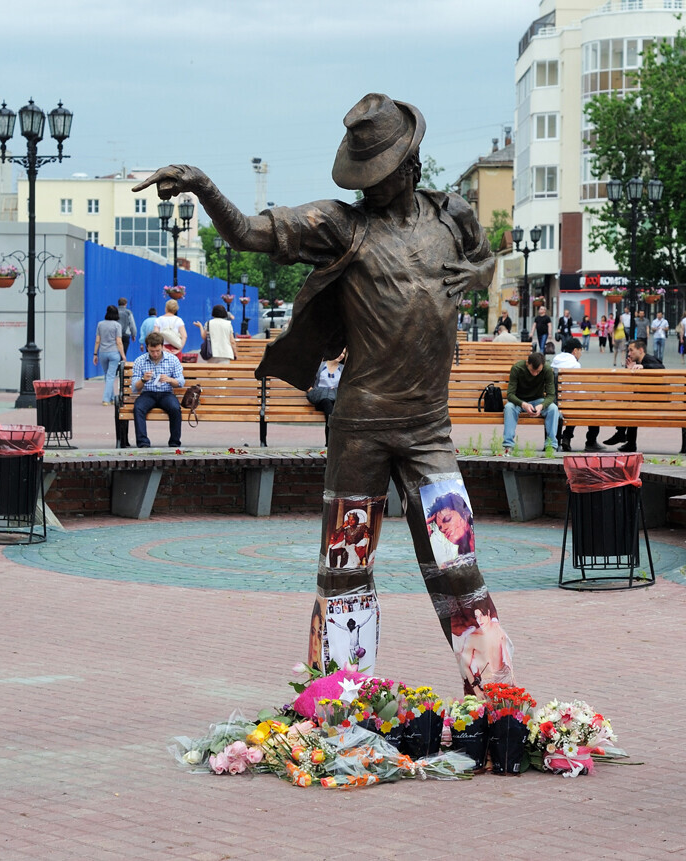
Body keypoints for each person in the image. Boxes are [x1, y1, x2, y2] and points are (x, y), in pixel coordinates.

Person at [134, 93, 510, 695]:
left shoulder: (453, 214)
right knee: (344, 569)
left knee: (457, 565)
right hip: (359, 428)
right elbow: (249, 233)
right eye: (365, 177)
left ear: (410, 165)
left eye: (381, 176)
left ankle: (493, 696)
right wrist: (204, 186)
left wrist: (483, 273)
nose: (371, 188)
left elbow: (487, 259)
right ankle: (341, 696)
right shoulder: (343, 225)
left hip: (429, 430)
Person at [602, 340, 663, 452]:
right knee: (629, 404)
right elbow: (631, 386)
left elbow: (661, 367)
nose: (629, 354)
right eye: (628, 350)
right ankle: (627, 440)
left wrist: (643, 367)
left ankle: (622, 435)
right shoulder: (639, 363)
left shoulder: (648, 360)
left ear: (640, 350)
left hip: (656, 401)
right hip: (648, 399)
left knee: (629, 406)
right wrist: (631, 372)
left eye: (631, 350)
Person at [130, 331, 185, 448]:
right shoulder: (140, 361)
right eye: (152, 351)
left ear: (162, 347)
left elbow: (181, 382)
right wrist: (143, 380)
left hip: (166, 393)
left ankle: (175, 442)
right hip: (148, 393)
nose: (155, 354)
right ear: (147, 348)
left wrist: (170, 380)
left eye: (158, 351)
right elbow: (135, 387)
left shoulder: (172, 359)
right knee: (138, 408)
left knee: (175, 408)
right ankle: (143, 442)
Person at [503, 351, 560, 455]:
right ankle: (508, 445)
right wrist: (523, 404)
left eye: (538, 371)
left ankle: (551, 445)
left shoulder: (547, 370)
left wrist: (541, 406)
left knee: (553, 409)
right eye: (533, 370)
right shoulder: (517, 369)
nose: (535, 374)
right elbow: (510, 394)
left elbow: (551, 395)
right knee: (509, 407)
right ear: (527, 363)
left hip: (538, 400)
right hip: (519, 400)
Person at [552, 338, 600, 452]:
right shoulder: (575, 364)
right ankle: (591, 441)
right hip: (569, 401)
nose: (581, 354)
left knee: (573, 405)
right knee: (591, 406)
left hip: (555, 401)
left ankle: (566, 437)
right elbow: (576, 390)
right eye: (580, 350)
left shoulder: (555, 361)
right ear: (575, 351)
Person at [426, 490, 476, 566]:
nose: (443, 529)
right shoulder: (459, 561)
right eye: (440, 528)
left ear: (465, 514)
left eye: (447, 519)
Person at [93, 304, 125, 405]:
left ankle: (111, 398)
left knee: (107, 376)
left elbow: (97, 340)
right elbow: (119, 341)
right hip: (114, 352)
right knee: (111, 376)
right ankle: (106, 399)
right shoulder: (117, 325)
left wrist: (95, 354)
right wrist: (123, 355)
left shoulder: (100, 324)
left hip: (102, 352)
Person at [307, 349, 345, 428]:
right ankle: (331, 436)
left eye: (343, 353)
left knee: (334, 409)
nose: (342, 355)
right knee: (327, 404)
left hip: (336, 399)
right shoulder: (320, 366)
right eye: (340, 352)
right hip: (321, 399)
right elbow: (307, 381)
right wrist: (311, 390)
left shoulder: (343, 369)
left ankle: (331, 437)